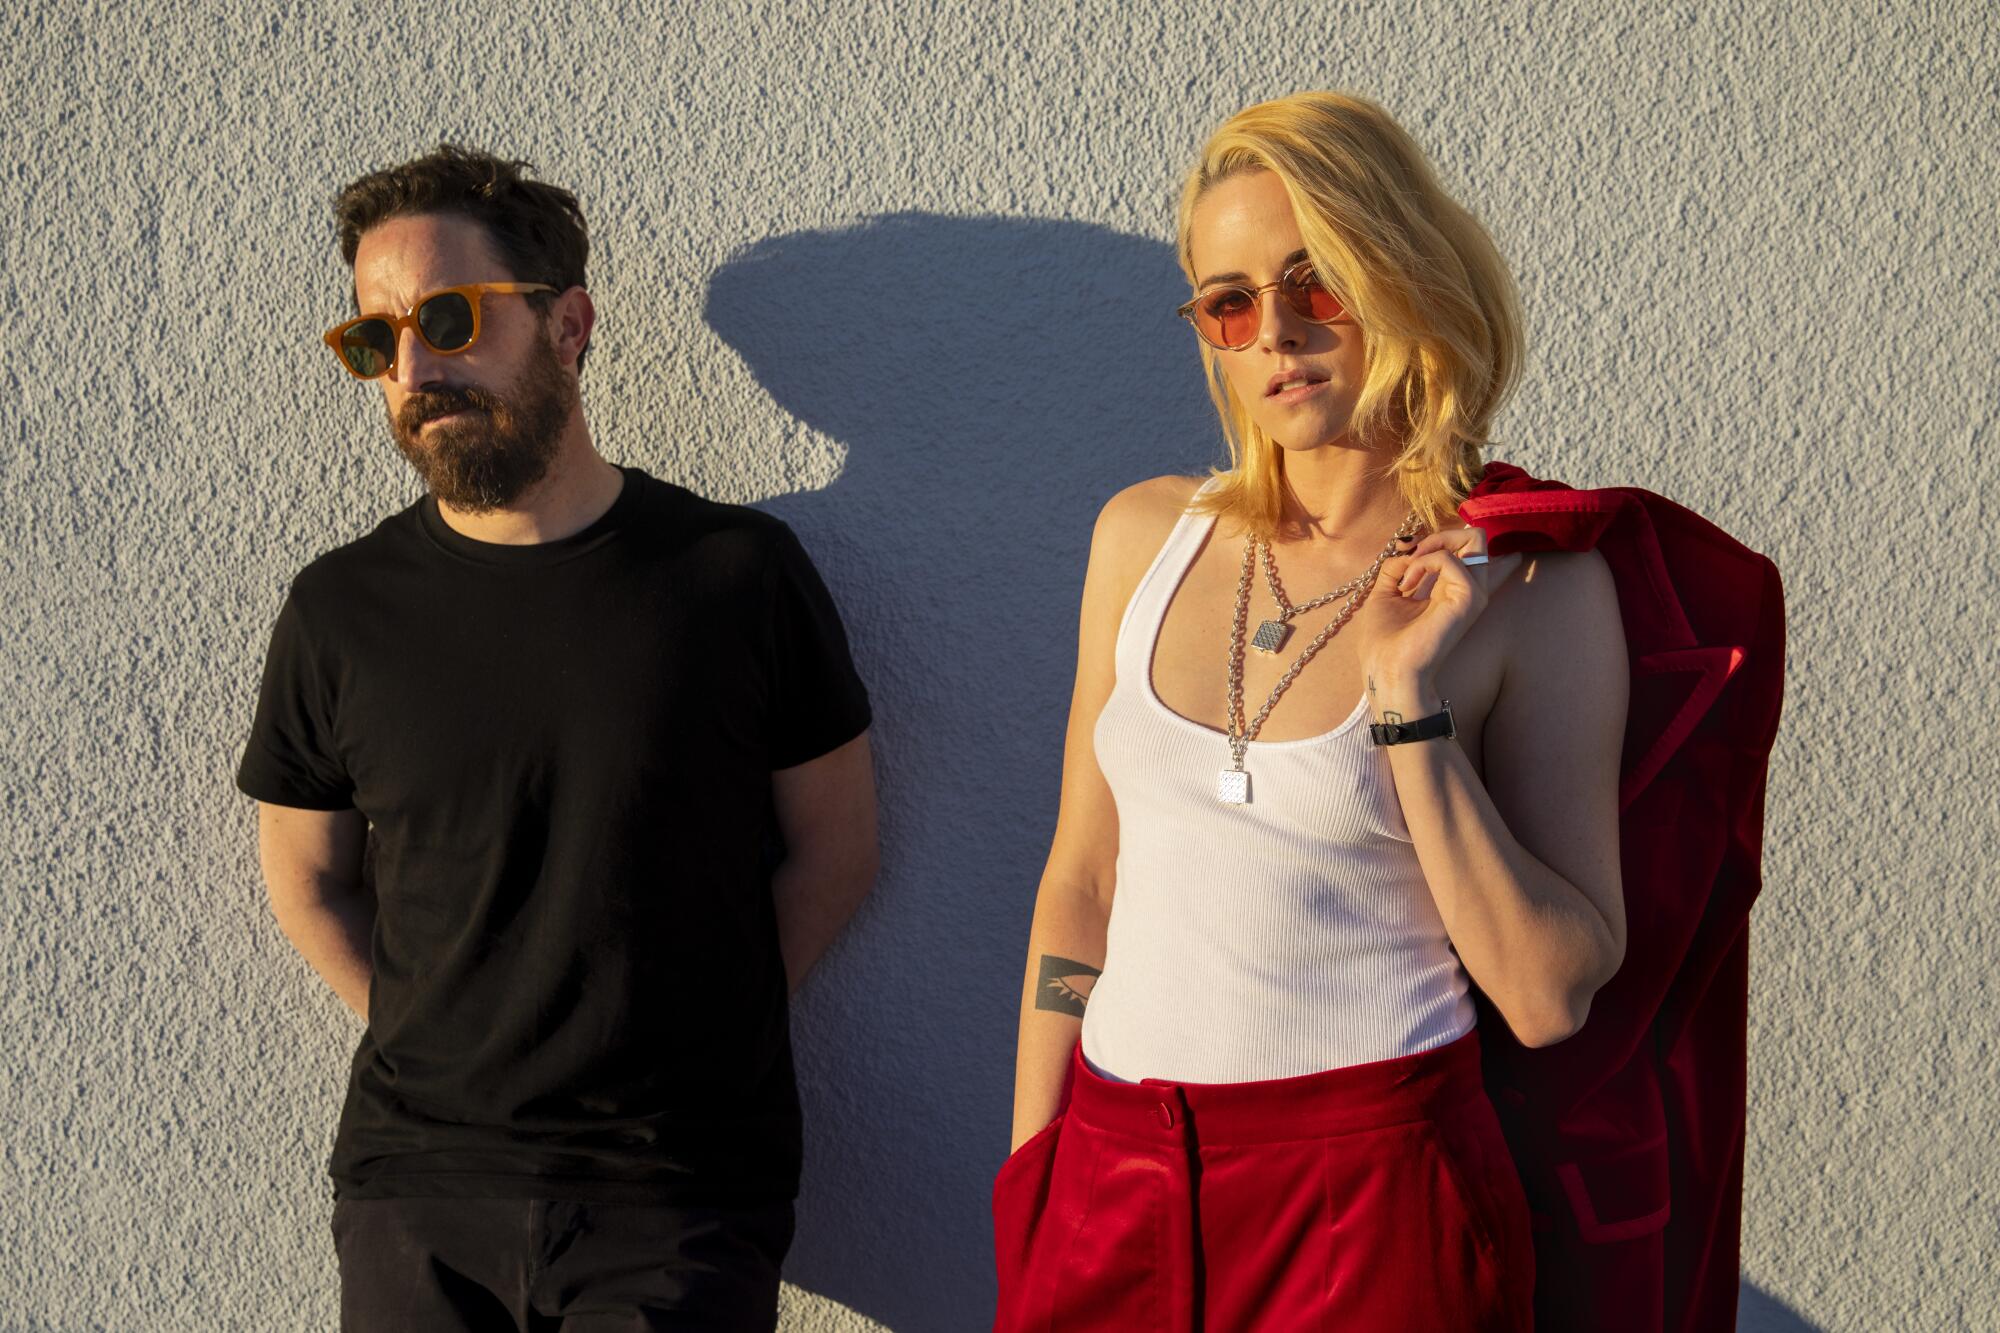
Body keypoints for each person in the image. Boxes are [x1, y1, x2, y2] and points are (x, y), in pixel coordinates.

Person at [996, 92, 1632, 1330]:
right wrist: (1032, 1171)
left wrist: (1405, 709)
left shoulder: (1529, 585)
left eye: (1316, 282)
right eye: (1228, 302)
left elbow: (1551, 992)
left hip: (1368, 1197)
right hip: (1108, 1171)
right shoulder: (1143, 536)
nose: (1274, 330)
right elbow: (1081, 879)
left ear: (1397, 269)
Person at [236, 145, 879, 1332]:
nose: (415, 367)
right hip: (417, 1194)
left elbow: (836, 849)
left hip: (675, 1190)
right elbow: (307, 879)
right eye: (376, 340)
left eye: (448, 316)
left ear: (568, 323)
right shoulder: (340, 609)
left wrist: (698, 1026)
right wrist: (448, 1035)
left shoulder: (734, 577)